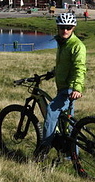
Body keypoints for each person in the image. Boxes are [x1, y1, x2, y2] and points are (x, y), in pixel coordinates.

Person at [36, 12, 87, 157]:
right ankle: (72, 156)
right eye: (62, 27)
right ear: (57, 28)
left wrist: (77, 88)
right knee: (68, 125)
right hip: (63, 87)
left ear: (73, 28)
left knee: (51, 111)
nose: (65, 30)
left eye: (68, 27)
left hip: (70, 88)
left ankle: (44, 148)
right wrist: (53, 73)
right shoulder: (62, 42)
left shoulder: (77, 46)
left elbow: (79, 68)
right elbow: (65, 64)